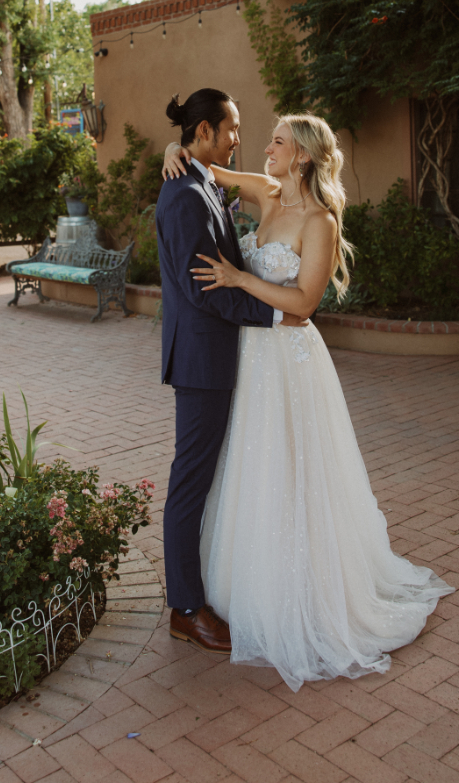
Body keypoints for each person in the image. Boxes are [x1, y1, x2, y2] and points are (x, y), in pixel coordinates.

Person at [162, 111, 453, 691]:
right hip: (249, 359)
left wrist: (242, 280)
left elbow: (304, 302)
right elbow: (206, 167)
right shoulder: (266, 192)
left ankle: (301, 593)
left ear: (301, 156)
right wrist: (173, 145)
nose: (263, 147)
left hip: (290, 362)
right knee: (249, 469)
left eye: (275, 141)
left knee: (293, 471)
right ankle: (243, 587)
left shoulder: (319, 221)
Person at [155, 89, 307, 655]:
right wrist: (274, 312)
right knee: (189, 483)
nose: (238, 137)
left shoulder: (201, 181)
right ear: (204, 132)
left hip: (216, 356)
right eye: (231, 128)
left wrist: (176, 147)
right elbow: (207, 293)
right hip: (201, 361)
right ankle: (186, 609)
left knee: (204, 478)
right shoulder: (185, 198)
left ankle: (198, 592)